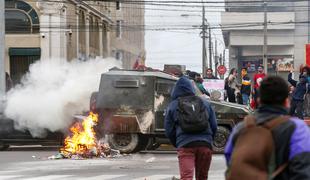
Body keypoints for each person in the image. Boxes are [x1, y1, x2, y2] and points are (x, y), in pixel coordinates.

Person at [225, 76, 310, 180]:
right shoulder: (298, 128)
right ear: (286, 102)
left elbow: (230, 159)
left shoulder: (242, 127)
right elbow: (303, 167)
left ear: (259, 101)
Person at [165, 76, 217, 180]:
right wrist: (209, 140)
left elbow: (169, 130)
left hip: (185, 145)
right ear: (192, 88)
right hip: (205, 145)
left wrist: (178, 143)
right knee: (202, 177)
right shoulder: (205, 103)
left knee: (186, 177)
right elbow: (214, 125)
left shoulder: (173, 105)